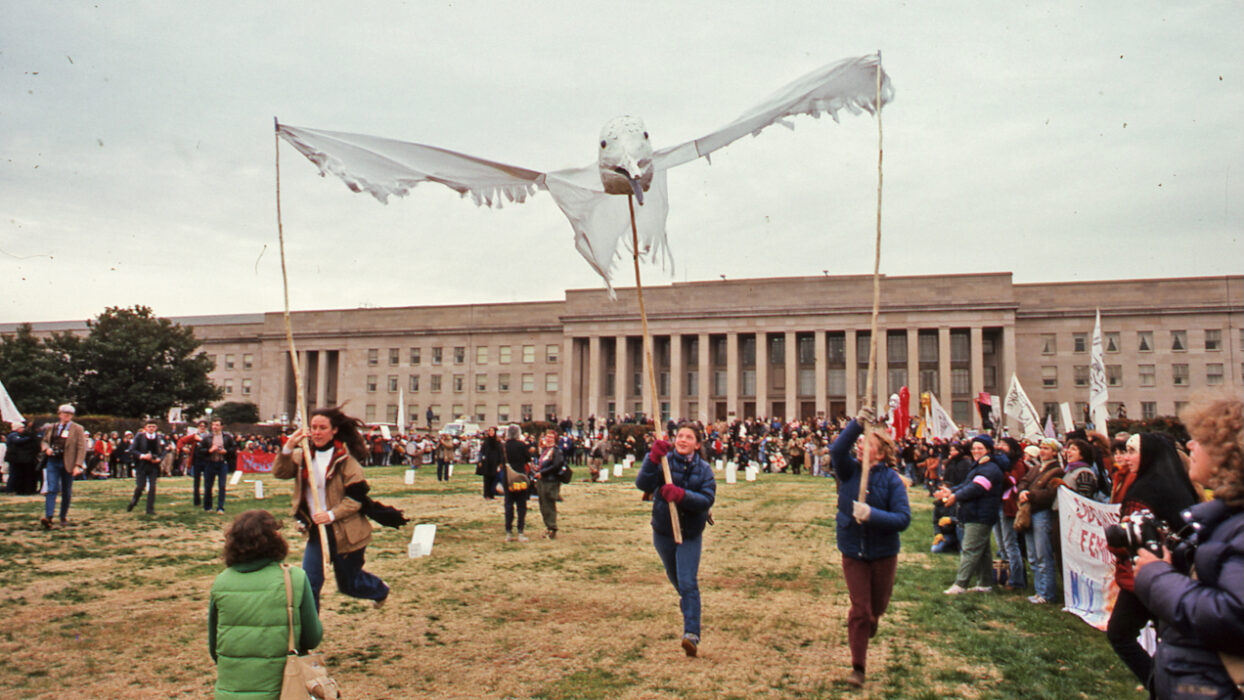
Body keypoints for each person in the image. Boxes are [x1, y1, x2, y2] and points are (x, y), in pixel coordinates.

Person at [1135, 396, 1244, 699]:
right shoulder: (1227, 519)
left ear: (1231, 455)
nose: (1190, 447)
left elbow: (1234, 615)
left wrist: (1157, 577)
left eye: (1200, 440)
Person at [1105, 431, 1201, 689]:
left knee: (1120, 634)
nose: (1126, 457)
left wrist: (1117, 544)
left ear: (1149, 455)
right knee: (1167, 639)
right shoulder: (1181, 485)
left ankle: (1160, 687)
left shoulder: (1143, 489)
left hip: (1145, 575)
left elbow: (1131, 541)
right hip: (1178, 576)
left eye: (1133, 451)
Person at [273, 407, 390, 608]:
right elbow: (280, 472)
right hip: (318, 532)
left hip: (347, 534)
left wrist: (331, 514)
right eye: (313, 428)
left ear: (334, 430)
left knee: (349, 585)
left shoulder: (346, 461)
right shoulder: (304, 457)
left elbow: (356, 499)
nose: (317, 432)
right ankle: (309, 633)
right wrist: (288, 447)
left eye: (322, 428)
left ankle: (379, 589)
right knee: (309, 585)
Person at [829, 408, 911, 688]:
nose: (860, 446)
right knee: (860, 610)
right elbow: (837, 449)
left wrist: (872, 515)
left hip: (883, 553)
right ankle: (858, 668)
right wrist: (857, 424)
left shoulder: (891, 481)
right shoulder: (849, 471)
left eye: (867, 444)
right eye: (860, 443)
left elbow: (903, 519)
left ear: (880, 453)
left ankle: (873, 616)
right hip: (853, 550)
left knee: (877, 607)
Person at [208, 509, 322, 699]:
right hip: (282, 691)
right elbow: (312, 638)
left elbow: (215, 648)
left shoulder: (221, 582)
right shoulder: (294, 578)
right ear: (275, 541)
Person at [635, 422, 716, 657]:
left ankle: (691, 634)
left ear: (697, 444)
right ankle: (690, 607)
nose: (682, 440)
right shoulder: (664, 462)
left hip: (689, 533)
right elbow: (643, 484)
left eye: (689, 437)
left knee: (688, 581)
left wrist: (681, 495)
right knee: (678, 582)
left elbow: (706, 499)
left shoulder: (704, 470)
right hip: (663, 531)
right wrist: (652, 458)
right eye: (680, 436)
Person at [936, 435, 1007, 594]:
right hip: (974, 512)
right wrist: (951, 491)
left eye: (980, 448)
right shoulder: (979, 466)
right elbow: (966, 484)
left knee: (970, 549)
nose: (976, 451)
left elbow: (976, 488)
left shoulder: (990, 468)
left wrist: (955, 497)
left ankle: (960, 584)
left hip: (980, 514)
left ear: (988, 450)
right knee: (982, 551)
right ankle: (985, 583)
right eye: (974, 448)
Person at [1015, 438, 1064, 604]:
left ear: (1054, 452)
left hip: (1042, 513)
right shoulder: (1036, 468)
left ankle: (1047, 592)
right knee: (1033, 555)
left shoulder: (1056, 471)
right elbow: (1023, 481)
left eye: (1046, 449)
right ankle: (1039, 590)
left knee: (1043, 554)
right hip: (1030, 512)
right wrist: (1022, 492)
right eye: (1041, 448)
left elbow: (1050, 494)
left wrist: (1030, 495)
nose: (1042, 451)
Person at [39, 404, 88, 529]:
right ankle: (48, 516)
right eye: (64, 413)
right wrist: (46, 449)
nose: (66, 416)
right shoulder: (52, 427)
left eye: (69, 414)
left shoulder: (77, 428)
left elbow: (81, 448)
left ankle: (63, 516)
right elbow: (44, 440)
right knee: (52, 488)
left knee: (66, 490)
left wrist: (78, 465)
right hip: (53, 461)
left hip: (69, 462)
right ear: (59, 414)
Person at [197, 419, 238, 514]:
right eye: (213, 425)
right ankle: (208, 507)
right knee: (208, 486)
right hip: (210, 463)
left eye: (217, 425)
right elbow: (200, 451)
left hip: (222, 463)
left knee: (222, 485)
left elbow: (234, 448)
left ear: (221, 427)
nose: (215, 427)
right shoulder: (207, 437)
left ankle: (220, 507)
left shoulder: (227, 437)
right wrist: (209, 450)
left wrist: (226, 451)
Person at [127, 420, 166, 515]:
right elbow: (132, 450)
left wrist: (159, 459)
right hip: (142, 465)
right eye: (149, 426)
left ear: (156, 428)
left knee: (152, 487)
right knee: (140, 486)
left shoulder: (159, 437)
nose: (151, 428)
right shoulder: (139, 437)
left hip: (153, 465)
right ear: (145, 428)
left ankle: (150, 509)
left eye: (153, 426)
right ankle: (134, 500)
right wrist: (142, 456)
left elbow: (164, 450)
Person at [501, 424, 532, 542]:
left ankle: (508, 531)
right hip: (520, 477)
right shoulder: (521, 445)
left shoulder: (503, 446)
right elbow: (528, 458)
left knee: (508, 504)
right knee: (521, 505)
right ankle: (520, 531)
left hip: (507, 478)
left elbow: (501, 460)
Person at [534, 430, 566, 539]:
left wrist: (542, 473)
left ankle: (552, 528)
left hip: (550, 481)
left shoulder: (557, 451)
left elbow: (557, 465)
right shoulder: (545, 450)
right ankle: (548, 527)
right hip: (542, 481)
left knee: (549, 505)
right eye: (547, 437)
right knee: (543, 505)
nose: (548, 439)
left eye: (551, 437)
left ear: (555, 440)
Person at [5, 421, 42, 494]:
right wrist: (30, 438)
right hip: (15, 458)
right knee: (14, 474)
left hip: (18, 458)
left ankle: (14, 489)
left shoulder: (19, 435)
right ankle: (10, 489)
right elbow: (17, 441)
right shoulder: (14, 435)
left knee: (16, 474)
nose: (23, 429)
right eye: (21, 427)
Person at [477, 426, 503, 499]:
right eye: (490, 431)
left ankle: (492, 494)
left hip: (495, 463)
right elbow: (482, 452)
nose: (491, 432)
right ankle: (486, 494)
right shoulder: (486, 442)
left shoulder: (498, 442)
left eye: (492, 431)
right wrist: (480, 461)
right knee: (487, 478)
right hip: (487, 462)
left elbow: (500, 453)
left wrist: (501, 462)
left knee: (494, 478)